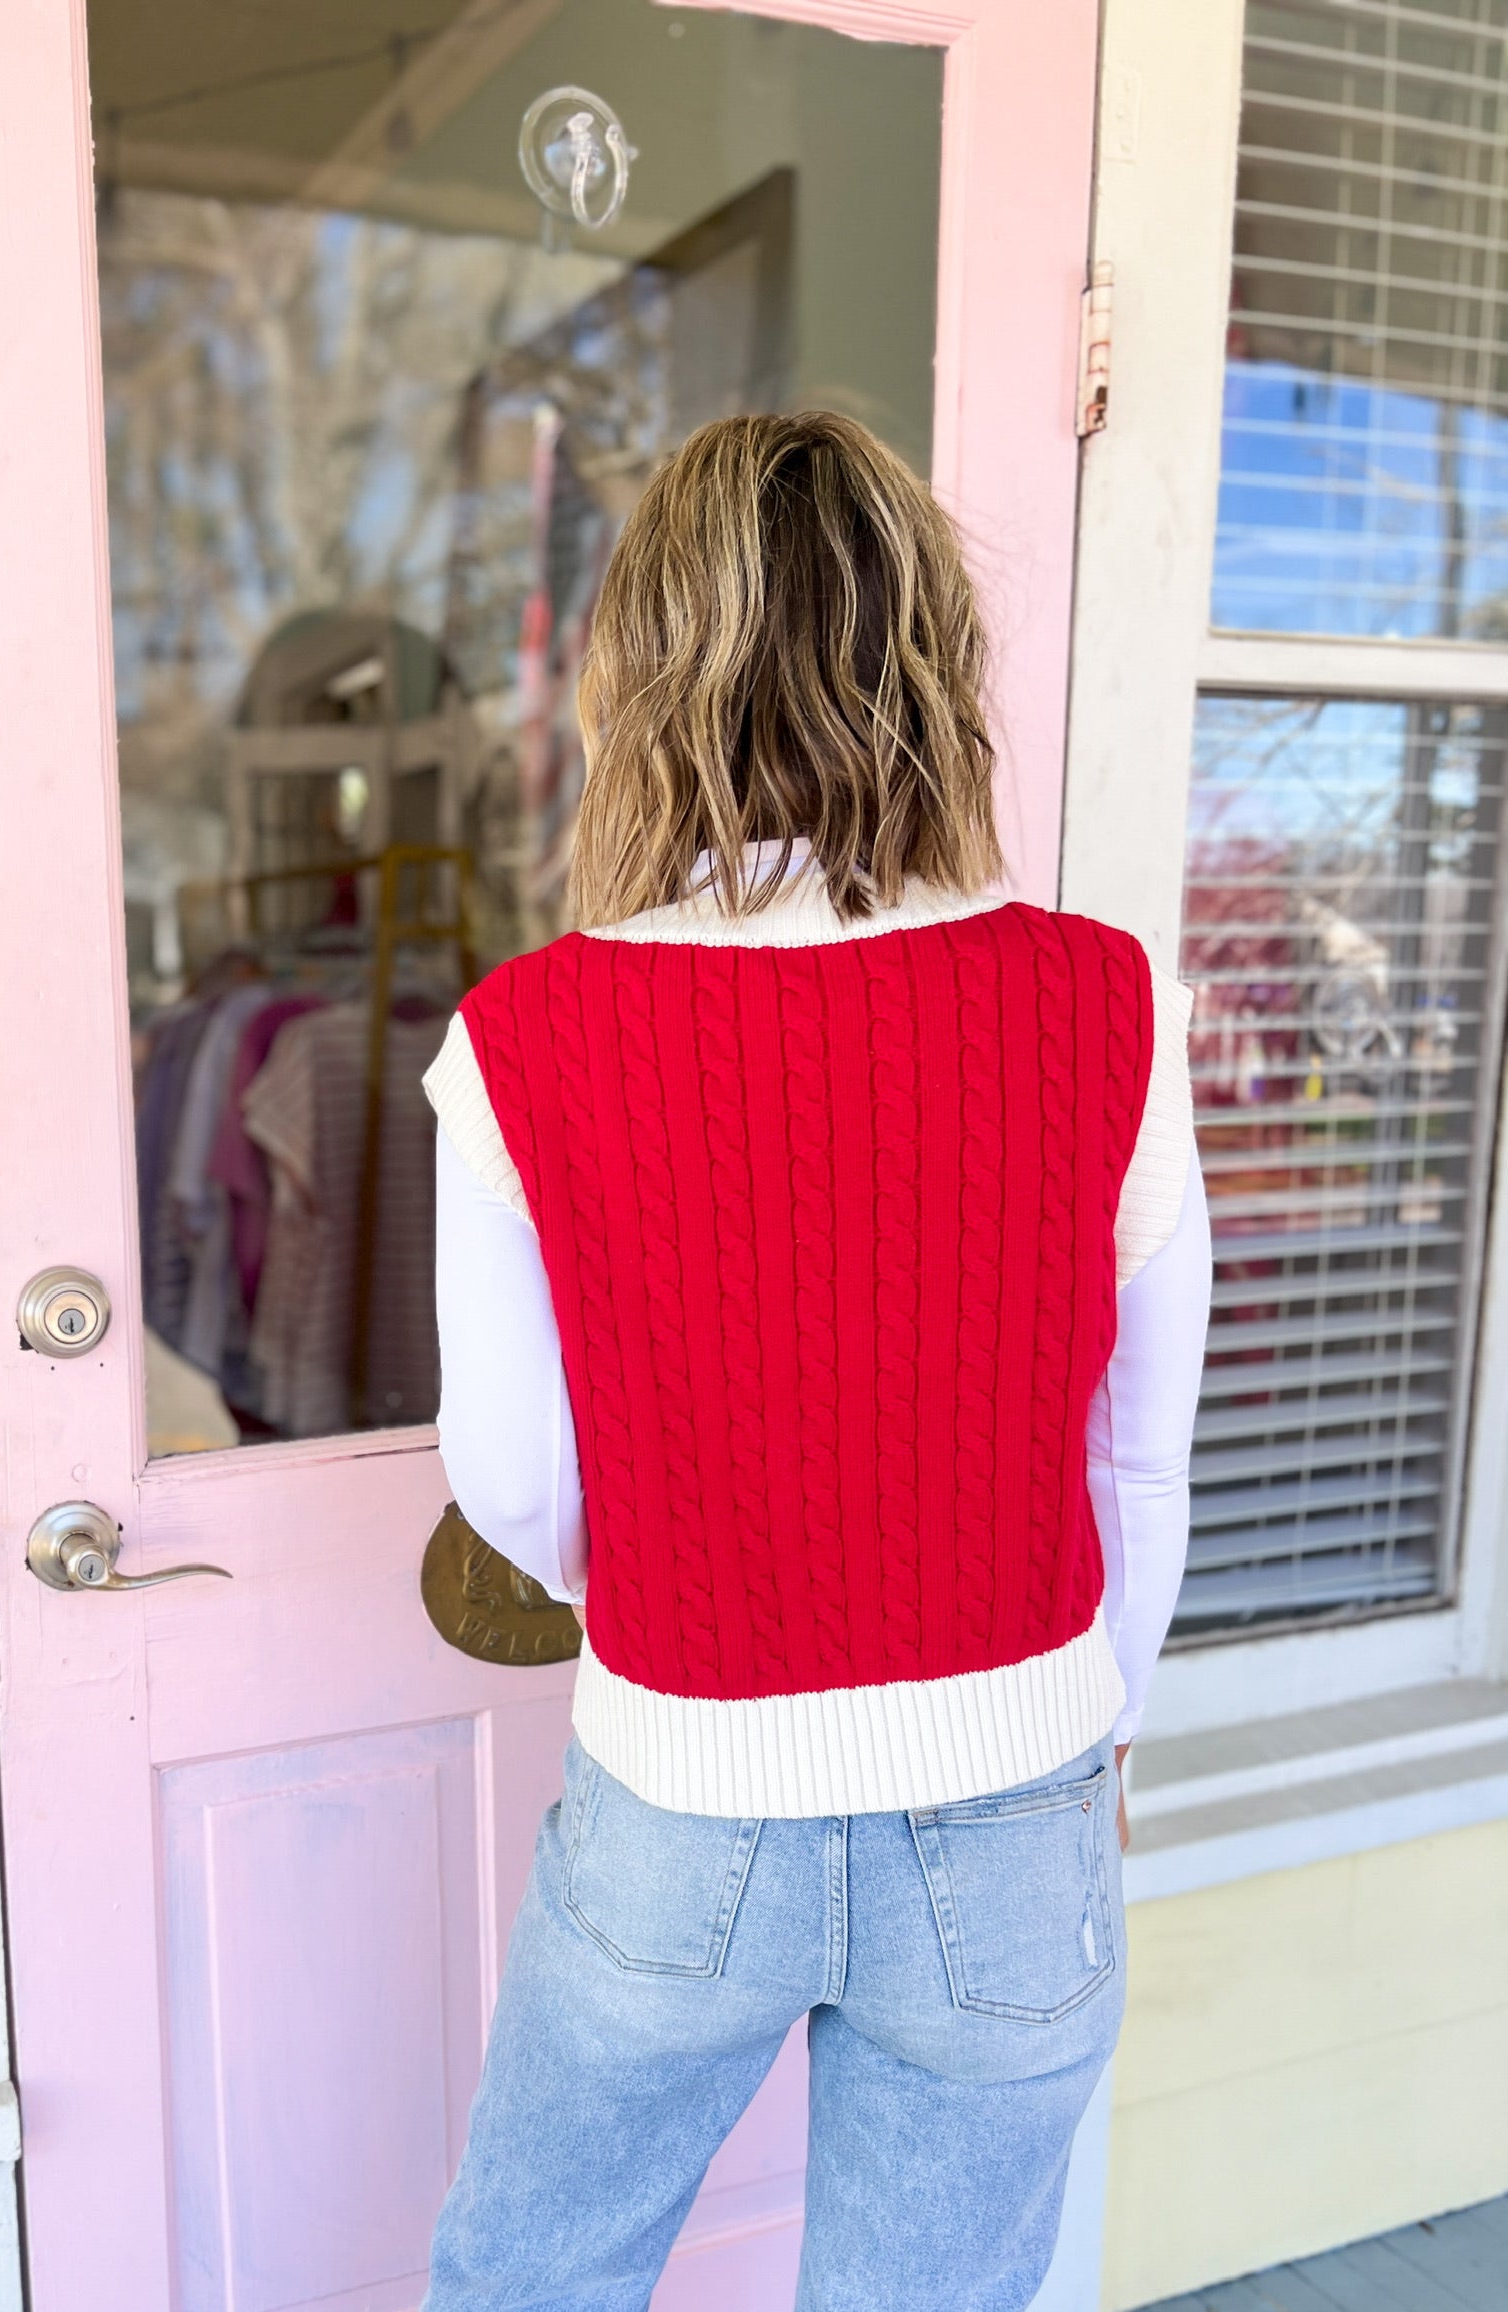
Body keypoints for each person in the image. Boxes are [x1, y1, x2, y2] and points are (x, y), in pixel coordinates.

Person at [421, 411, 1211, 2312]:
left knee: (532, 2278)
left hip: (678, 1790)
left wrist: (690, 1584)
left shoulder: (529, 1035)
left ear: (643, 674)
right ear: (935, 665)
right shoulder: (1110, 1000)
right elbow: (1147, 1453)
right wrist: (1081, 1721)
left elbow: (512, 1481)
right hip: (1019, 1793)